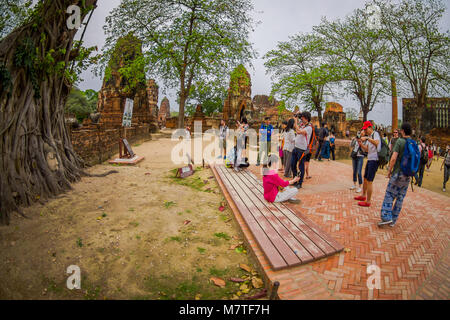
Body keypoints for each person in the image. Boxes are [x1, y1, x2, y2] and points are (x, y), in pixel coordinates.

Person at [378, 123, 415, 227]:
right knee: (400, 197)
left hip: (398, 173)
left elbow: (393, 158)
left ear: (402, 131)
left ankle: (386, 217)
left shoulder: (400, 141)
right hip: (407, 176)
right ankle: (393, 220)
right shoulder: (413, 143)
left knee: (389, 194)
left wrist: (389, 171)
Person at [354, 121, 381, 207]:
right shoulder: (369, 137)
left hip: (374, 160)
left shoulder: (375, 134)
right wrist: (361, 144)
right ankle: (363, 195)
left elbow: (377, 143)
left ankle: (368, 201)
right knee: (365, 178)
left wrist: (366, 138)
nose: (365, 131)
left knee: (369, 181)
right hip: (370, 159)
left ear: (370, 128)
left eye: (366, 129)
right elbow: (367, 149)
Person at [291, 112, 313, 189]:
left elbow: (299, 132)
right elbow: (295, 127)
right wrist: (296, 118)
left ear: (306, 118)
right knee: (292, 164)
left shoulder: (309, 127)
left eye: (302, 117)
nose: (301, 119)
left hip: (302, 149)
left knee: (301, 166)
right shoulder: (302, 125)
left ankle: (300, 183)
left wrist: (296, 121)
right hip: (296, 147)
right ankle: (295, 180)